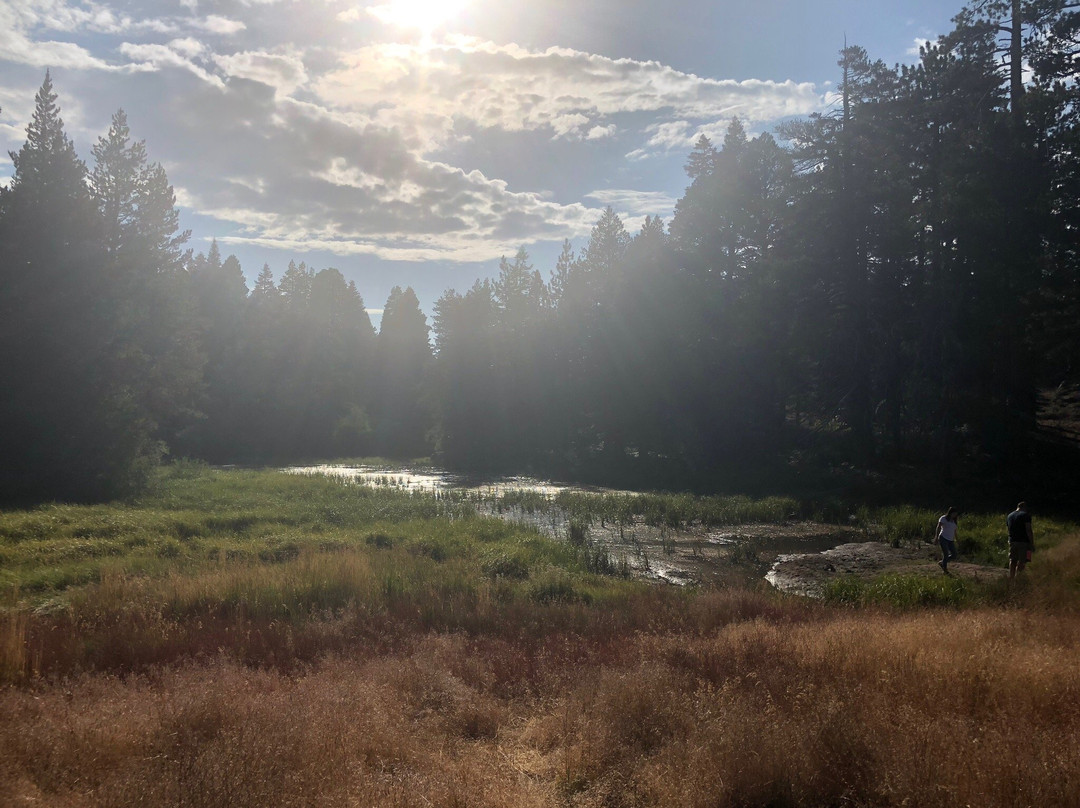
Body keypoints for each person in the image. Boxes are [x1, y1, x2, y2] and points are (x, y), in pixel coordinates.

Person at [1007, 501, 1034, 579]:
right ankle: (1018, 578)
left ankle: (1011, 577)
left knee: (1012, 560)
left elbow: (1009, 529)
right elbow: (1028, 529)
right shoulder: (1026, 516)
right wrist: (1031, 543)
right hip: (1023, 542)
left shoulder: (1009, 516)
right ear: (1024, 507)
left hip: (1012, 540)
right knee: (1022, 561)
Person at [935, 507, 959, 575]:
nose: (955, 515)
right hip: (943, 538)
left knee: (954, 554)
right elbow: (938, 527)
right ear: (950, 513)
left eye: (956, 514)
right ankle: (945, 570)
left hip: (951, 540)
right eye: (954, 514)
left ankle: (942, 562)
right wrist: (936, 537)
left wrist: (957, 540)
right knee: (945, 554)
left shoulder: (954, 521)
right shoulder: (943, 518)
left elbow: (955, 532)